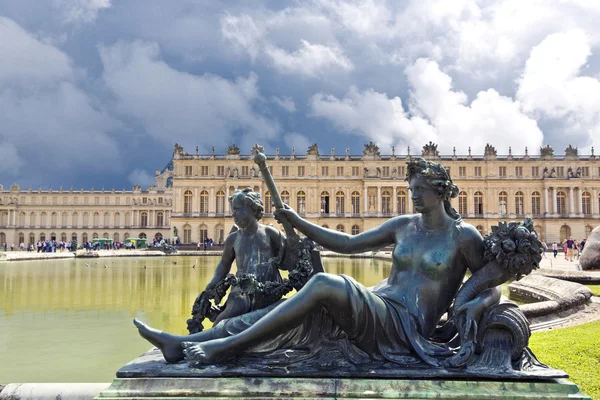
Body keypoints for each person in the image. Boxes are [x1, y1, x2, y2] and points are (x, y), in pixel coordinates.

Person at [134, 158, 500, 367]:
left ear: (440, 191)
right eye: (412, 189)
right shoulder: (404, 226)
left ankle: (223, 348)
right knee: (285, 309)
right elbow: (347, 243)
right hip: (379, 304)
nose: (413, 195)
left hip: (403, 327)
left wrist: (477, 303)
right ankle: (182, 342)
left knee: (325, 285)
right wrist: (297, 221)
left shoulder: (463, 236)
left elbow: (491, 282)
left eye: (419, 189)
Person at [195, 188, 286, 325]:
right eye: (233, 210)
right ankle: (211, 337)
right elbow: (224, 265)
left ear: (252, 209)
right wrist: (211, 286)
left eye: (237, 209)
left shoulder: (270, 233)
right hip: (242, 291)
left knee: (225, 320)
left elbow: (289, 258)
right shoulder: (233, 238)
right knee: (222, 321)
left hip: (269, 291)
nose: (233, 214)